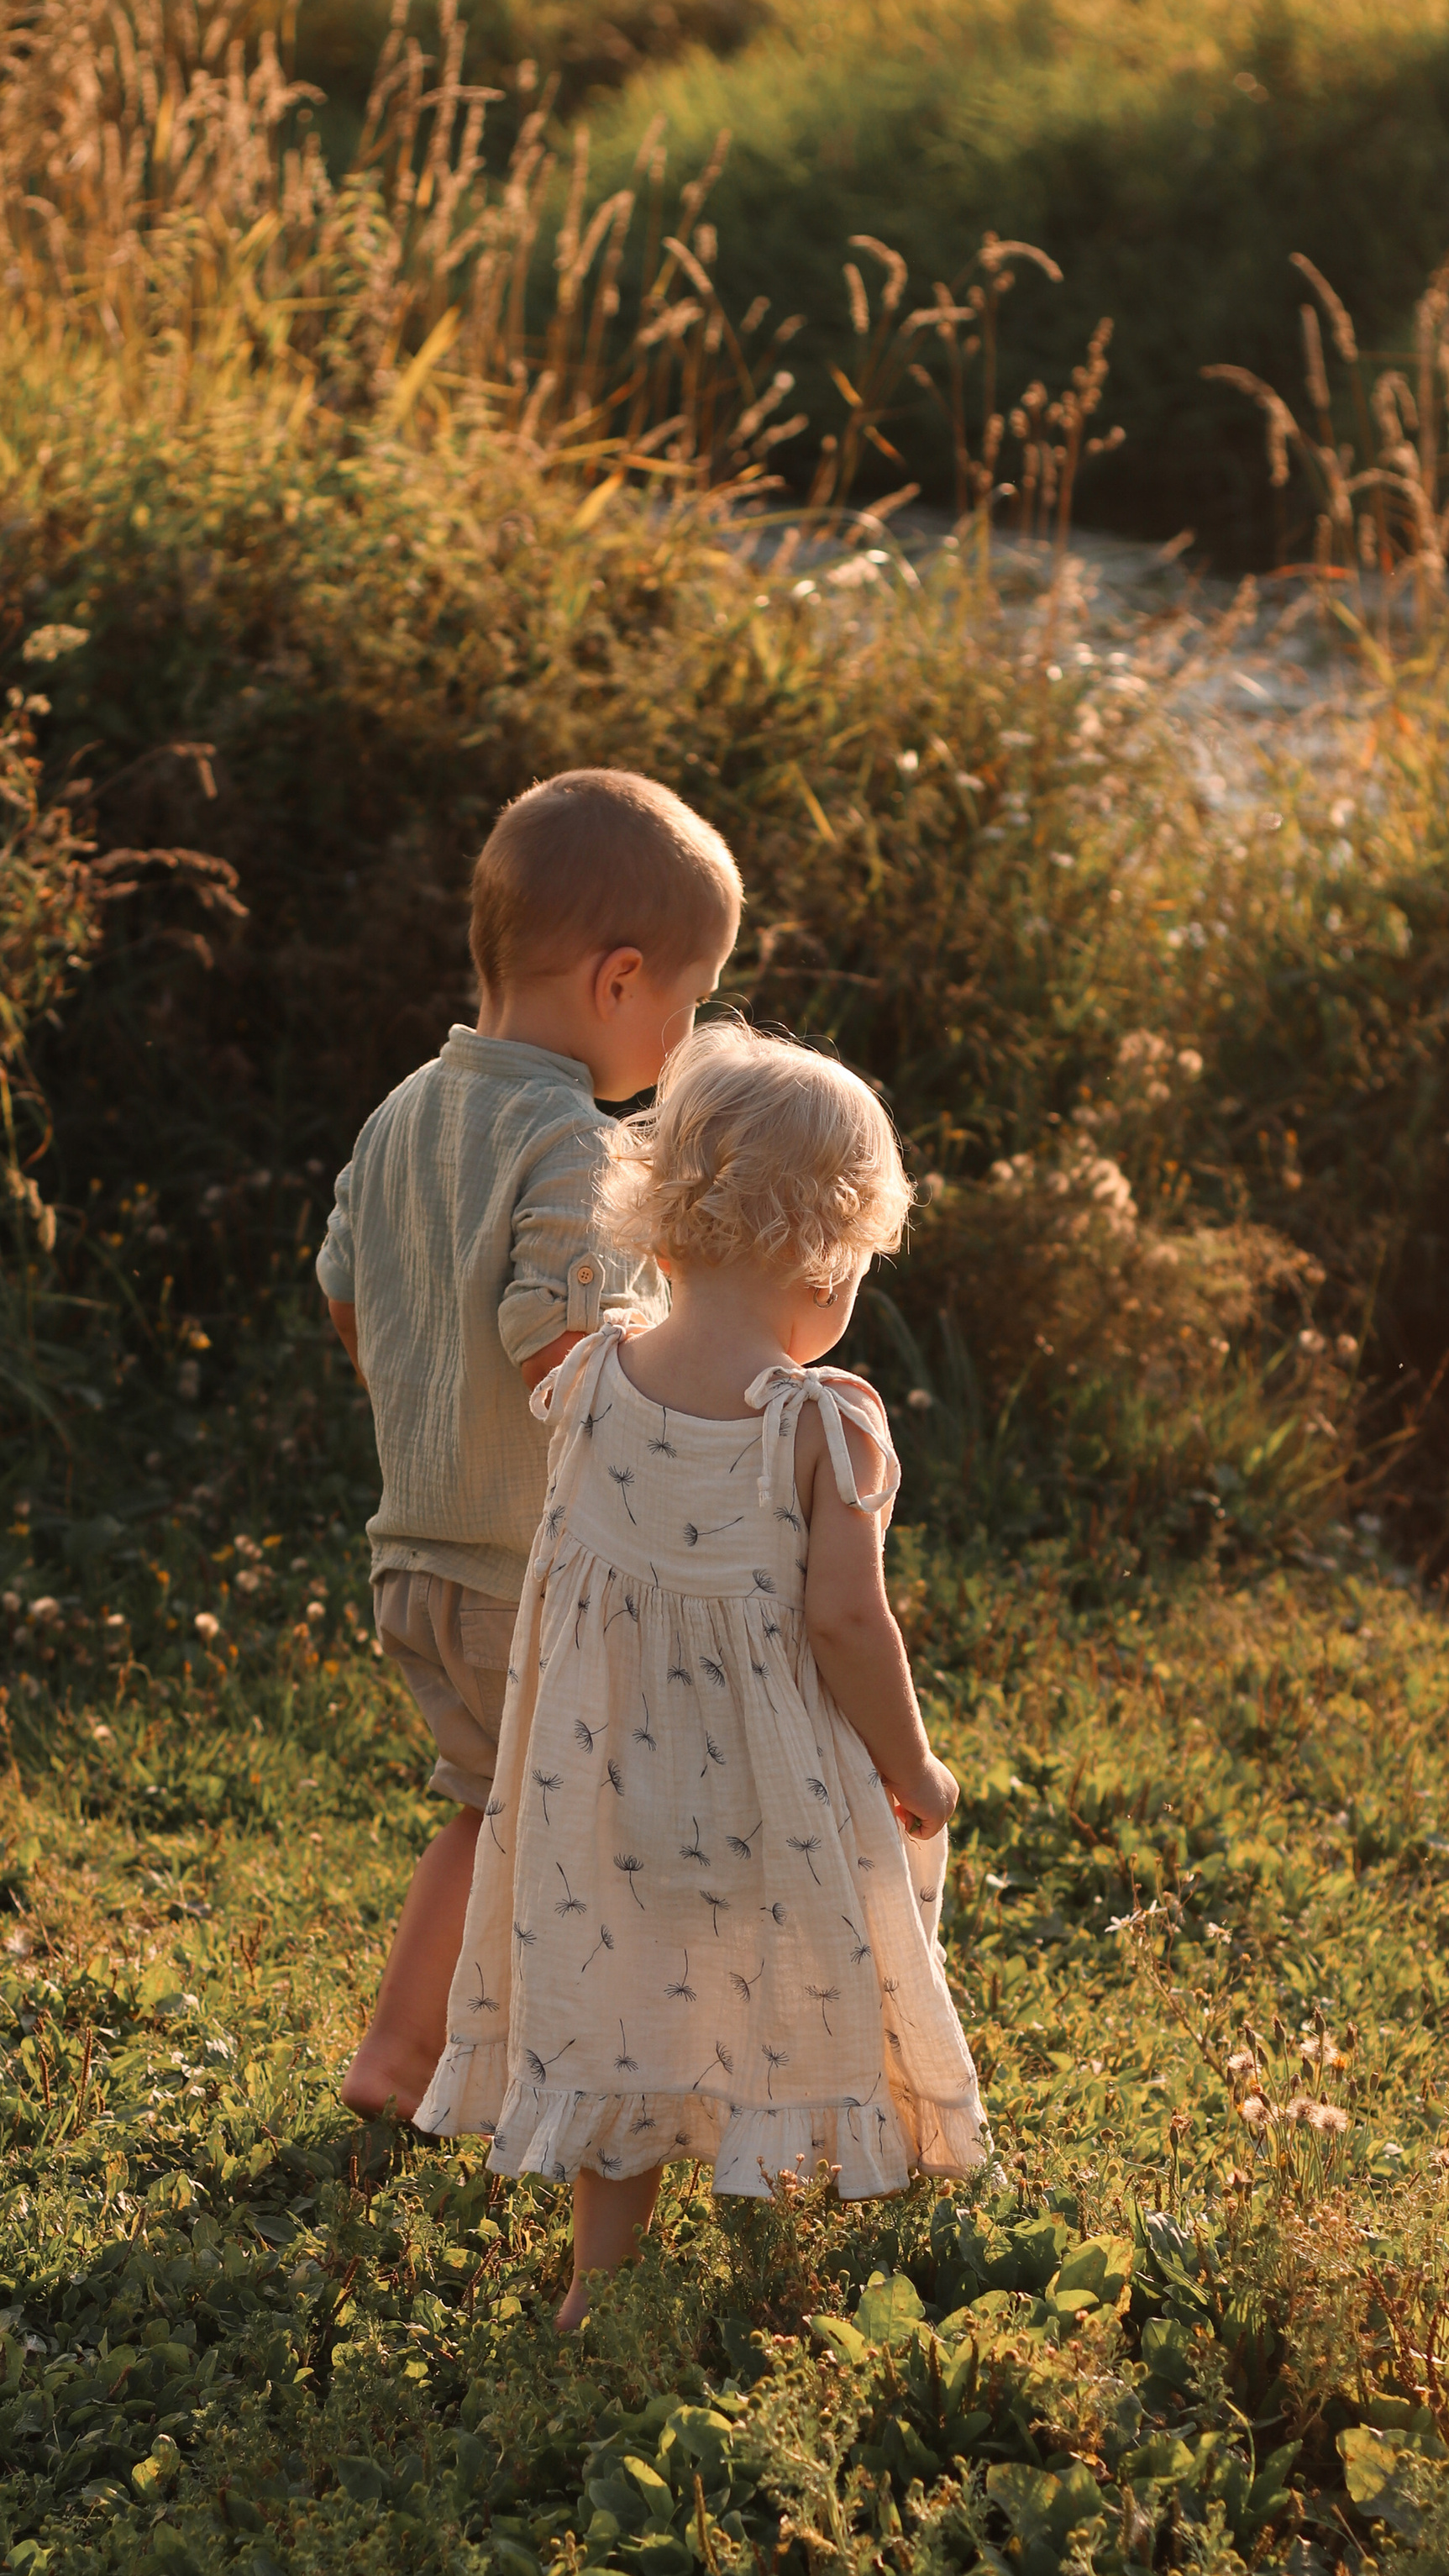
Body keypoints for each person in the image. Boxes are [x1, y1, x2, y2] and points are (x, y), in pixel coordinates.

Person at [416, 1020, 986, 2327]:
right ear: (833, 1269)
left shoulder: (591, 1380)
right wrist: (914, 1768)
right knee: (783, 1997)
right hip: (768, 1800)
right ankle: (784, 2270)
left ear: (659, 1219)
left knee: (630, 2000)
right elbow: (849, 1623)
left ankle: (592, 2287)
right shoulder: (821, 1424)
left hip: (604, 1789)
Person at [318, 769, 743, 2121]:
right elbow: (559, 1350)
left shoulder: (403, 1111)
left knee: (489, 1806)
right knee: (599, 1825)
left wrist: (425, 1410)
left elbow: (345, 1289)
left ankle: (405, 2059)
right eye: (688, 1007)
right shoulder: (572, 1140)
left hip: (416, 1561)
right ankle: (601, 2083)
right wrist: (689, 1397)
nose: (683, 1044)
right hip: (529, 1576)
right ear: (620, 982)